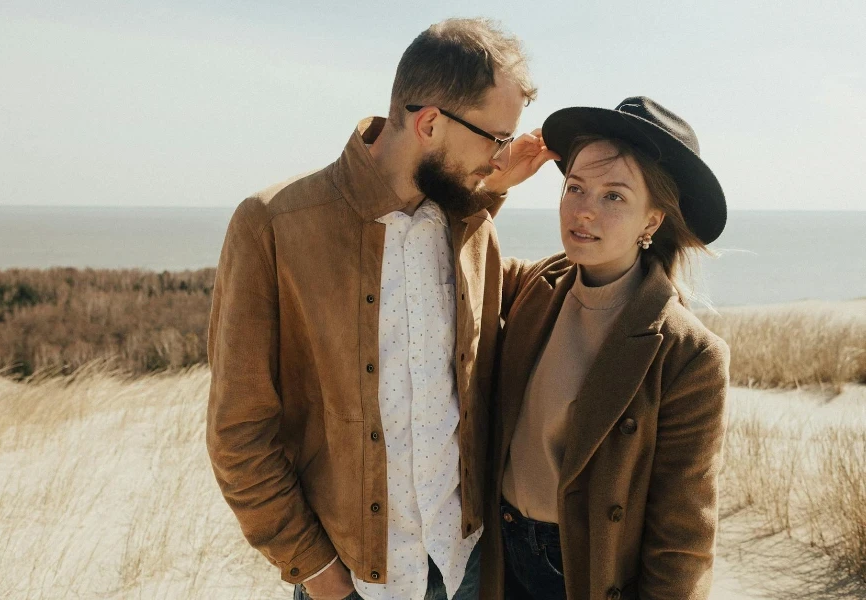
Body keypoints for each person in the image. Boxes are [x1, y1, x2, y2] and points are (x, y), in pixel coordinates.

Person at [206, 18, 556, 600]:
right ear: (430, 123)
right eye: (496, 138)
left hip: (463, 567)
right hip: (351, 583)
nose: (500, 159)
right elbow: (238, 436)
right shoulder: (272, 225)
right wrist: (317, 574)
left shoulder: (466, 224)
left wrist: (494, 189)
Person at [480, 97, 731, 600]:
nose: (584, 209)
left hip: (580, 570)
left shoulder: (688, 354)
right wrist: (489, 186)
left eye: (614, 196)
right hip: (495, 552)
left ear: (652, 222)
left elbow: (682, 538)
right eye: (575, 187)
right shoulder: (537, 285)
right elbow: (450, 259)